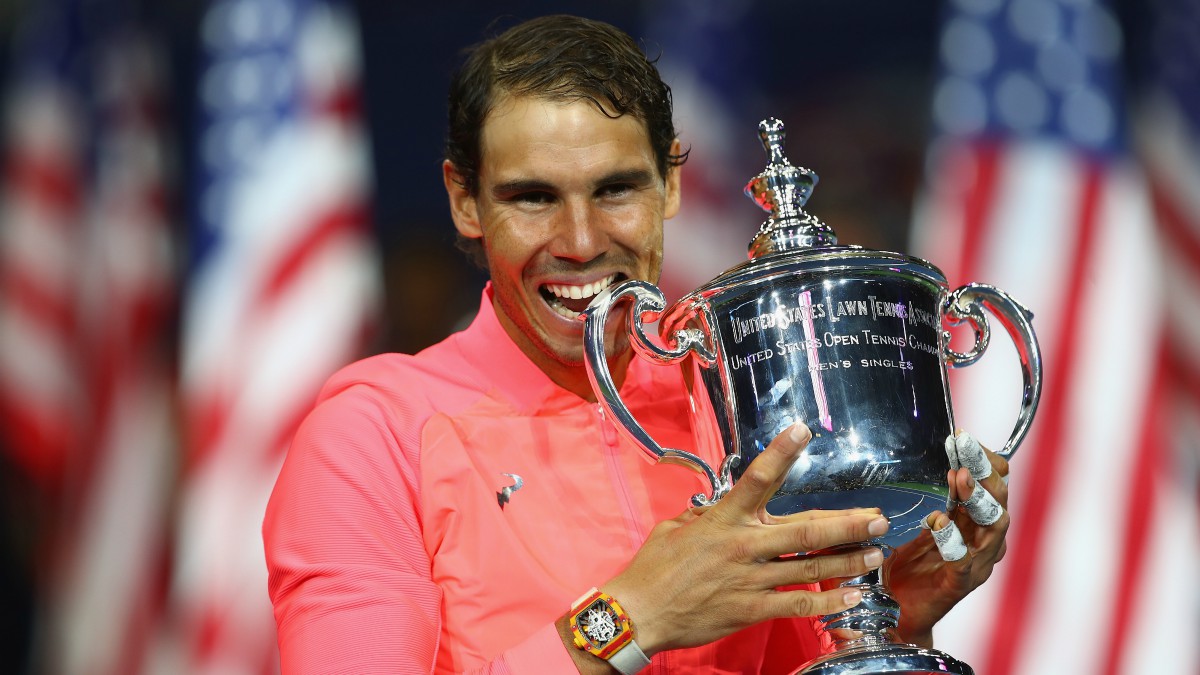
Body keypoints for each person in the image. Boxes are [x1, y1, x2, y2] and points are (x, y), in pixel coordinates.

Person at [262, 14, 1010, 674]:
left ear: (670, 186)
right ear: (465, 199)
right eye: (534, 197)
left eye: (616, 189)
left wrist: (890, 615)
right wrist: (629, 619)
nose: (582, 242)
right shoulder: (371, 433)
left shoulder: (733, 407)